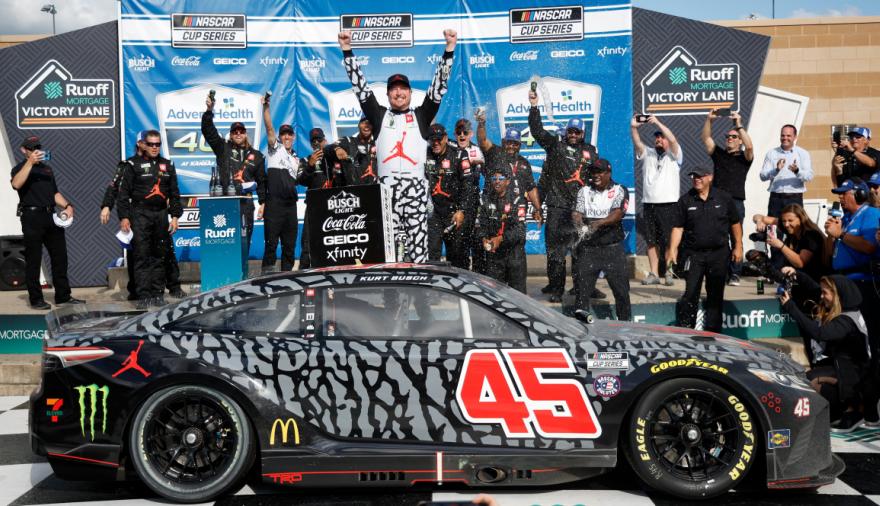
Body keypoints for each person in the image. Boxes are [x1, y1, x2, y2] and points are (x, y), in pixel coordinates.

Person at [338, 28, 457, 263]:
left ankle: (419, 285)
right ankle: (390, 286)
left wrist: (449, 50)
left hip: (415, 189)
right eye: (394, 89)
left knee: (419, 253)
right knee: (388, 251)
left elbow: (438, 89)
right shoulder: (379, 115)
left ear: (410, 93)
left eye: (403, 88)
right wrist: (347, 50)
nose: (399, 92)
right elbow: (361, 90)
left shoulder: (421, 115)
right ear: (388, 94)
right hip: (387, 190)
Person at [529, 90, 598, 303]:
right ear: (566, 132)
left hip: (580, 211)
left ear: (583, 133)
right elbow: (537, 131)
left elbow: (597, 177)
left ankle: (582, 287)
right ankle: (557, 289)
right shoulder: (556, 146)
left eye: (577, 132)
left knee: (580, 251)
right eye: (570, 131)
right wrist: (534, 106)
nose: (573, 134)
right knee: (556, 252)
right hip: (557, 208)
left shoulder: (591, 151)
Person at [780, 273, 870, 432]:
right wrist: (797, 274)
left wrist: (790, 306)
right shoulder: (846, 306)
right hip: (844, 367)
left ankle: (852, 410)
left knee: (810, 380)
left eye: (825, 293)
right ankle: (839, 410)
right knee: (805, 376)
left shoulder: (846, 321)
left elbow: (819, 333)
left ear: (837, 295)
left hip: (854, 375)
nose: (821, 296)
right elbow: (815, 288)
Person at [102, 134, 185, 300]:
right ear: (140, 144)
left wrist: (175, 216)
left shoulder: (166, 164)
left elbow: (174, 193)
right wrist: (108, 207)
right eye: (148, 143)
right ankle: (139, 293)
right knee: (140, 255)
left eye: (157, 144)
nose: (154, 146)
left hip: (160, 215)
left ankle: (167, 289)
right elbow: (116, 188)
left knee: (164, 254)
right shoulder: (129, 165)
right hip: (139, 215)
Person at [10, 136, 84, 309]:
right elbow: (16, 184)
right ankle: (36, 299)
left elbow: (54, 193)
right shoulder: (19, 168)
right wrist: (30, 162)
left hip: (51, 216)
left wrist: (68, 205)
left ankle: (63, 296)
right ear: (24, 150)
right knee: (34, 259)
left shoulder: (47, 169)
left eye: (37, 147)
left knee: (60, 258)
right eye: (31, 148)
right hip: (31, 217)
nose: (35, 150)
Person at [667, 166, 743, 333]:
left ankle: (713, 332)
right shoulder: (685, 200)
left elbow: (735, 223)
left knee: (715, 293)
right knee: (690, 293)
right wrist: (672, 249)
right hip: (694, 254)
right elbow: (678, 227)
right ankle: (687, 330)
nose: (696, 179)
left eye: (700, 176)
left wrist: (738, 245)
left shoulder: (724, 198)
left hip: (719, 254)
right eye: (694, 176)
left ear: (710, 177)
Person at [824, 178, 880, 368]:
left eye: (844, 193)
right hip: (843, 280)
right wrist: (831, 235)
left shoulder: (871, 214)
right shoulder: (846, 217)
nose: (840, 197)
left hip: (862, 282)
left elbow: (869, 247)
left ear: (859, 194)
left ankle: (870, 369)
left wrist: (841, 234)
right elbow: (828, 254)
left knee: (867, 330)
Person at [202, 93, 267, 256]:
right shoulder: (223, 148)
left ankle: (243, 271)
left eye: (241, 131)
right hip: (225, 202)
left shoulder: (257, 155)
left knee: (244, 243)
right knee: (224, 243)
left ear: (246, 133)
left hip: (246, 204)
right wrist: (209, 111)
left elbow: (262, 181)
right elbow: (208, 131)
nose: (238, 134)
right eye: (235, 131)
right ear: (231, 135)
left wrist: (263, 203)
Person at [572, 159, 631, 321]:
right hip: (588, 250)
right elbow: (577, 212)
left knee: (621, 292)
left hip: (613, 250)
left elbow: (618, 214)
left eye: (600, 172)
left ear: (608, 173)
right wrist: (579, 223)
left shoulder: (619, 190)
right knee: (582, 293)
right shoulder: (584, 191)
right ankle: (580, 328)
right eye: (593, 172)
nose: (595, 175)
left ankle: (626, 325)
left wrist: (597, 223)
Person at [701, 109, 754, 285]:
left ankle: (735, 273)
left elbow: (750, 147)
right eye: (728, 137)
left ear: (739, 140)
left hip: (736, 203)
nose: (730, 139)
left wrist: (738, 125)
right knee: (719, 238)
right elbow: (706, 139)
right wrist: (709, 120)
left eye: (734, 137)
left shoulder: (744, 158)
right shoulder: (719, 155)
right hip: (717, 202)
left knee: (736, 238)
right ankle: (721, 272)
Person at [632, 115, 682, 286]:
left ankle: (669, 272)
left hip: (669, 204)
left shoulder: (675, 155)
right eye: (657, 138)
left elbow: (673, 140)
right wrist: (634, 127)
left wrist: (658, 122)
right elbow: (637, 143)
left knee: (669, 242)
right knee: (651, 241)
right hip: (649, 204)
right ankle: (654, 273)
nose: (659, 140)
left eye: (662, 137)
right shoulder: (648, 153)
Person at [260, 95, 300, 273]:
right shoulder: (275, 149)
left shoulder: (297, 159)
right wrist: (266, 108)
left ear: (294, 137)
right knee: (271, 246)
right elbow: (269, 128)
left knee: (289, 247)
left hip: (291, 206)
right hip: (274, 205)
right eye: (284, 134)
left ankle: (287, 282)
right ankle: (265, 283)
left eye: (289, 134)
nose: (287, 137)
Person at [475, 165, 527, 292]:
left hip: (514, 255)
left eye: (500, 179)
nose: (497, 181)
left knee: (517, 295)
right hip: (495, 255)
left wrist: (501, 238)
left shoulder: (517, 200)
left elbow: (520, 231)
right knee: (493, 294)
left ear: (508, 181)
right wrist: (483, 238)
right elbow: (481, 225)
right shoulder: (486, 199)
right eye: (494, 179)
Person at [425, 124, 470, 268]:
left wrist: (461, 210)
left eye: (439, 139)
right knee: (432, 255)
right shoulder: (424, 154)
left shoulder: (459, 154)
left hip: (454, 212)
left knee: (457, 256)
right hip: (433, 213)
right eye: (432, 140)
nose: (436, 143)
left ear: (445, 138)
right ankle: (433, 280)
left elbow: (468, 185)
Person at [297, 128, 342, 269]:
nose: (317, 143)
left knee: (335, 241)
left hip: (334, 206)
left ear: (325, 141)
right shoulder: (305, 160)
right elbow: (300, 180)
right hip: (314, 207)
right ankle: (304, 272)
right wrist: (310, 166)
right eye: (314, 141)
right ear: (311, 144)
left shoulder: (333, 159)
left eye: (319, 140)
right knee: (307, 243)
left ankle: (335, 270)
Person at [752, 204, 826, 284]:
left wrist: (781, 246)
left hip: (813, 280)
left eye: (790, 221)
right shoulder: (791, 228)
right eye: (784, 221)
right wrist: (759, 222)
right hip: (798, 277)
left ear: (801, 219)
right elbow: (757, 216)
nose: (786, 225)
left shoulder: (811, 235)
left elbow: (800, 263)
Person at [336, 117, 377, 186]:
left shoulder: (378, 144)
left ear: (373, 127)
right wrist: (337, 148)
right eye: (363, 123)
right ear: (358, 126)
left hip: (375, 188)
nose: (366, 125)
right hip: (354, 189)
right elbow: (331, 146)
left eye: (369, 123)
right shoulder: (348, 141)